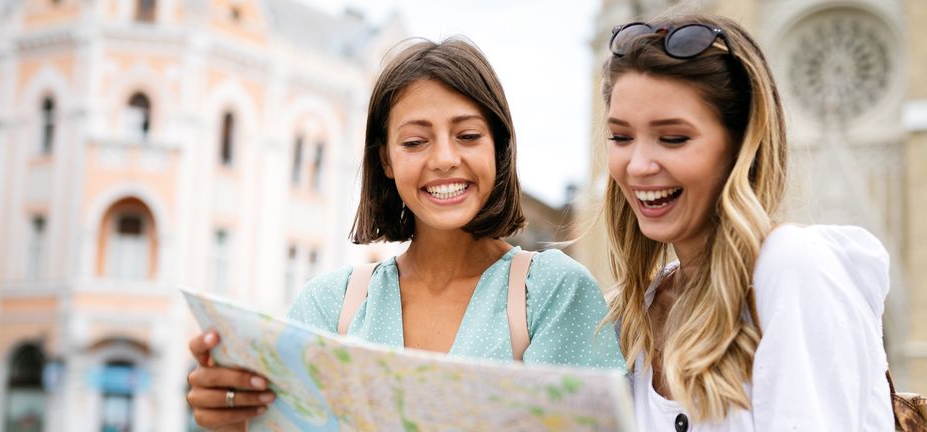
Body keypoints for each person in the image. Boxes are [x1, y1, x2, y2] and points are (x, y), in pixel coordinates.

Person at [186, 37, 623, 430]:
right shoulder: (327, 306)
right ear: (386, 161)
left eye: (468, 135)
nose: (445, 158)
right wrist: (236, 419)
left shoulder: (552, 294)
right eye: (415, 142)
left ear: (499, 146)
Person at [598, 13, 893, 430]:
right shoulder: (638, 311)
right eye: (621, 137)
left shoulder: (792, 267)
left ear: (741, 148)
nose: (639, 166)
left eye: (674, 138)